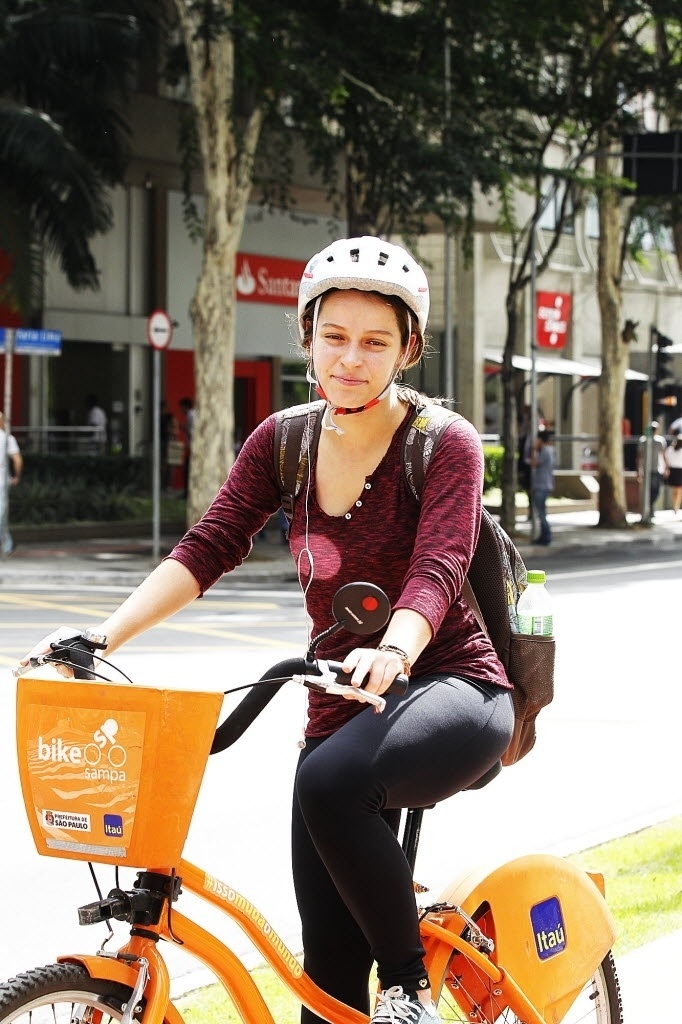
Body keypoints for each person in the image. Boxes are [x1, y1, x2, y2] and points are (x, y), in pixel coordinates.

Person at [20, 236, 514, 1024]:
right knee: (325, 976)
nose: (350, 359)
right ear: (308, 336)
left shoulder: (441, 442)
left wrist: (395, 648)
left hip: (453, 684)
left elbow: (439, 567)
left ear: (408, 349)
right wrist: (102, 638)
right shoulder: (284, 442)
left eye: (375, 342)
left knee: (329, 785)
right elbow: (209, 544)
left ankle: (412, 989)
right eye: (336, 337)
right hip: (343, 704)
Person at [0, 409, 22, 556]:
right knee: (1, 512)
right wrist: (17, 476)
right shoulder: (7, 438)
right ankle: (6, 544)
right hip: (1, 480)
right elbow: (17, 460)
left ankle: (6, 543)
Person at [530, 428, 554, 546]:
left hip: (542, 485)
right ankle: (543, 535)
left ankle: (547, 535)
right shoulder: (547, 451)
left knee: (541, 513)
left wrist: (534, 449)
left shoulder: (544, 451)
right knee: (541, 512)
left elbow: (534, 463)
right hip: (543, 485)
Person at [637, 421, 667, 516]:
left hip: (657, 469)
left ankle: (650, 506)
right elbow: (640, 457)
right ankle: (649, 510)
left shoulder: (660, 441)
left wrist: (666, 467)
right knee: (648, 489)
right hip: (647, 469)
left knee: (656, 490)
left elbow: (663, 455)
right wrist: (639, 470)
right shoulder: (643, 440)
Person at [179, 396, 195, 497]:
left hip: (193, 447)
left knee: (188, 469)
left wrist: (182, 427)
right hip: (192, 446)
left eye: (181, 407)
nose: (181, 410)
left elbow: (191, 431)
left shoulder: (190, 415)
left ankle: (187, 492)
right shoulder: (193, 414)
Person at [664, 431, 682, 516]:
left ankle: (676, 506)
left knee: (676, 490)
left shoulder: (670, 449)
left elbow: (666, 458)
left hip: (674, 471)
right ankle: (676, 506)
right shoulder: (671, 449)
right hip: (678, 471)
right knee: (678, 490)